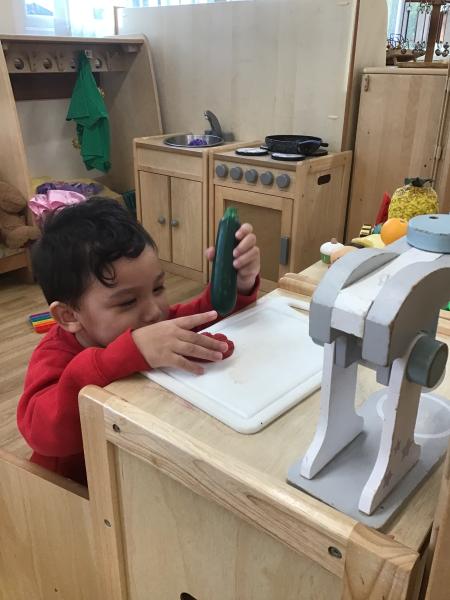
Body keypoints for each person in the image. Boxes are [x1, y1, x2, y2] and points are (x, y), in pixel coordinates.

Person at [17, 198, 260, 486]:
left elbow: (200, 317)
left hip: (137, 472)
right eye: (127, 302)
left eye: (158, 288)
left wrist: (237, 286)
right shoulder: (54, 355)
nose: (154, 311)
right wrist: (123, 355)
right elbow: (42, 433)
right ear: (69, 316)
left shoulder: (150, 320)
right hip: (77, 492)